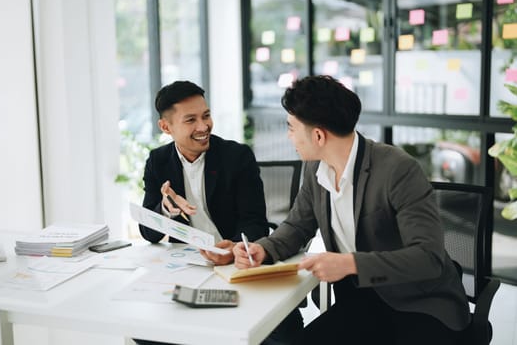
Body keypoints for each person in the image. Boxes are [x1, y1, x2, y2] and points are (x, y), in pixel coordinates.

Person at [233, 75, 471, 345]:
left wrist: (349, 263)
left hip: (418, 305)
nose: (289, 136)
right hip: (362, 303)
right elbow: (298, 225)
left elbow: (428, 258)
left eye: (291, 128)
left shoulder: (397, 169)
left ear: (318, 135)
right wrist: (264, 249)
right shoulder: (316, 168)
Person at [136, 80, 302, 345]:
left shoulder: (236, 157)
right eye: (190, 120)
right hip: (190, 271)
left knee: (279, 337)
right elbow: (149, 233)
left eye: (206, 116)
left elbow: (256, 223)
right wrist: (165, 211)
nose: (203, 127)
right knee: (146, 334)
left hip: (237, 267)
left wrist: (233, 247)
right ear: (166, 127)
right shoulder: (158, 161)